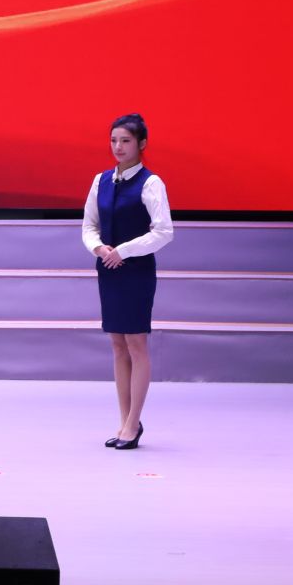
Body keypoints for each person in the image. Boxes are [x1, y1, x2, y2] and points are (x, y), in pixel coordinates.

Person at [81, 112, 173, 450]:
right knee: (117, 344)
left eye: (126, 141)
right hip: (108, 268)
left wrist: (124, 250)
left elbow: (163, 232)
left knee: (136, 343)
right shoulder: (101, 180)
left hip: (135, 270)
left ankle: (133, 423)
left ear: (141, 144)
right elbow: (89, 224)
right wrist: (98, 247)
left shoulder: (151, 183)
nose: (118, 147)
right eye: (114, 140)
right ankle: (124, 421)